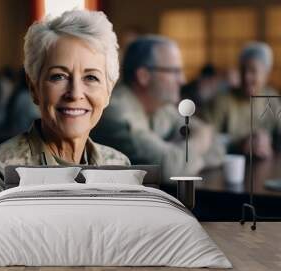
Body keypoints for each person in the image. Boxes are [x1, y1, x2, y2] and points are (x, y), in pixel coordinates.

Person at [0, 10, 130, 221]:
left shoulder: (119, 166)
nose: (75, 94)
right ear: (34, 87)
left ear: (109, 91)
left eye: (91, 77)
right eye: (58, 76)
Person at [91, 35, 225, 179]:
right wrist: (198, 142)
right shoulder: (116, 112)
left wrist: (181, 155)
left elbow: (218, 149)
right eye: (174, 71)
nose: (182, 80)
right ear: (144, 76)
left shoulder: (162, 107)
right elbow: (170, 171)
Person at [201, 42, 281, 157]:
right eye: (243, 70)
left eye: (253, 71)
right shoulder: (222, 100)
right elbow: (202, 138)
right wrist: (238, 144)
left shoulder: (272, 99)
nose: (246, 77)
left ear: (266, 74)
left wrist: (269, 143)